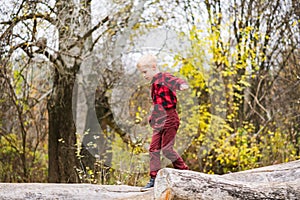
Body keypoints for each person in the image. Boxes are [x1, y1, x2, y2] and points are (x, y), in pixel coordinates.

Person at [136, 54, 189, 191]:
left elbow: (176, 81)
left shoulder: (164, 77)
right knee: (153, 149)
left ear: (153, 67)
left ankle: (185, 172)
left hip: (170, 118)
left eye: (145, 72)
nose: (143, 75)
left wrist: (181, 85)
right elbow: (157, 104)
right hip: (159, 120)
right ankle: (153, 178)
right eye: (142, 73)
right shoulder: (153, 84)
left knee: (167, 149)